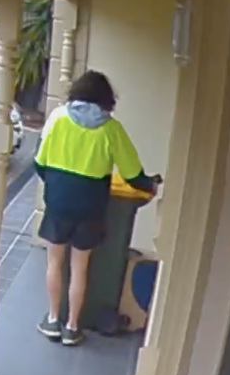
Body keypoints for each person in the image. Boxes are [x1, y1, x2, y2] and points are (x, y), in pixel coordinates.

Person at [34, 70, 158, 346]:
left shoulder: (57, 118)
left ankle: (53, 319)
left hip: (59, 203)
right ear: (106, 99)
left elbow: (39, 163)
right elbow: (132, 173)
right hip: (91, 207)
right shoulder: (112, 129)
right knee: (80, 268)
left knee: (54, 263)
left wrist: (57, 186)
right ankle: (72, 327)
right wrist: (150, 185)